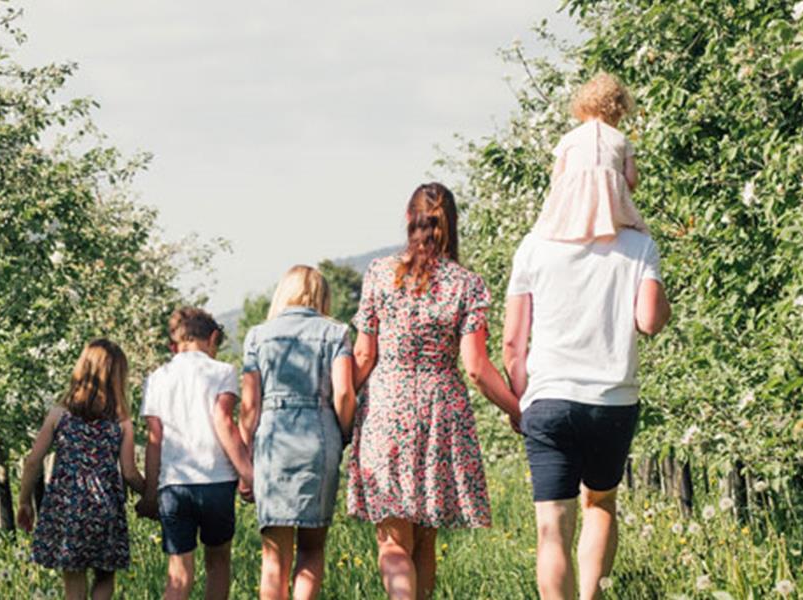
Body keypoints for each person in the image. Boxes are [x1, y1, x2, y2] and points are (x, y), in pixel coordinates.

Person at [502, 72, 672, 599]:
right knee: (599, 504)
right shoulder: (638, 246)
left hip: (548, 398)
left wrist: (520, 401)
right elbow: (649, 321)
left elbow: (512, 342)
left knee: (552, 525)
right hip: (611, 399)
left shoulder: (534, 247)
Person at [347, 183, 521, 600]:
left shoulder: (379, 274)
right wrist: (518, 410)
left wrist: (337, 405)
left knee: (392, 542)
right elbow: (476, 368)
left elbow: (364, 354)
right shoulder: (468, 285)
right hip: (441, 413)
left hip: (387, 409)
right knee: (425, 541)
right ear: (452, 225)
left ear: (409, 221)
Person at [241, 265, 358, 600]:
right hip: (318, 440)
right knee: (312, 548)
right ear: (321, 295)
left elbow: (249, 407)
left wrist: (244, 463)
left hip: (273, 443)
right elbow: (344, 395)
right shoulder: (335, 333)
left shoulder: (257, 336)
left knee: (273, 556)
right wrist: (345, 433)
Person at [18, 339, 146, 600]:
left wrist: (24, 501)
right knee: (104, 576)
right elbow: (130, 473)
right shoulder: (121, 422)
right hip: (105, 508)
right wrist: (151, 495)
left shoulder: (59, 415)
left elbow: (33, 462)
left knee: (73, 581)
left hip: (67, 507)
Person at [138, 308, 251, 600]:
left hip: (173, 485)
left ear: (172, 344)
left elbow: (154, 440)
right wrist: (247, 474)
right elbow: (225, 423)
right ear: (213, 338)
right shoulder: (223, 371)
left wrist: (151, 493)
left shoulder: (156, 378)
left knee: (178, 577)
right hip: (216, 482)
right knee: (218, 563)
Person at [528, 72, 648, 243]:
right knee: (641, 234)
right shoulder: (621, 139)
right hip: (611, 209)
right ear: (619, 109)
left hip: (573, 207)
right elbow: (631, 180)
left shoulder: (569, 138)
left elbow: (557, 180)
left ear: (582, 106)